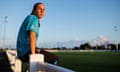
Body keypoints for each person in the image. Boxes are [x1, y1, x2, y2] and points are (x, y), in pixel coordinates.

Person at [16, 2, 61, 68]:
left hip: (22, 53)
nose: (42, 11)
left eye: (44, 9)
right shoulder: (34, 18)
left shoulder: (29, 18)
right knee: (56, 60)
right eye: (39, 9)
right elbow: (32, 35)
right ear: (34, 10)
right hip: (26, 52)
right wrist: (33, 55)